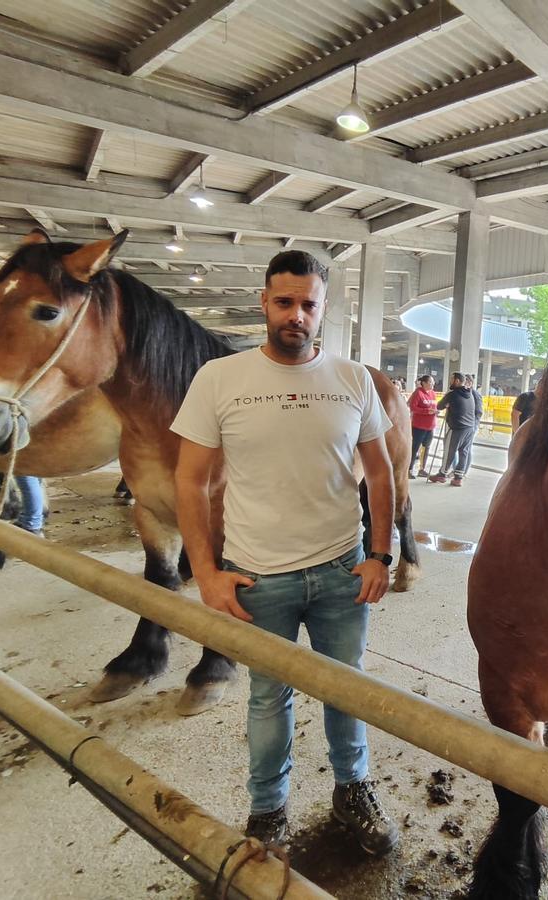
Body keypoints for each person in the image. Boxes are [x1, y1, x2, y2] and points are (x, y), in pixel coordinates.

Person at [171, 249, 399, 853]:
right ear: (264, 304)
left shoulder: (352, 379)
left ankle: (353, 792)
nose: (296, 315)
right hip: (256, 579)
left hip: (341, 572)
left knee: (345, 688)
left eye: (308, 305)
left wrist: (381, 553)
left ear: (322, 311)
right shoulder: (220, 379)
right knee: (269, 698)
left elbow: (380, 472)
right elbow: (191, 480)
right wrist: (206, 574)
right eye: (284, 302)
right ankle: (267, 810)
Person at [429, 372, 480, 487]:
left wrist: (447, 404)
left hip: (457, 427)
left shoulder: (452, 394)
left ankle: (442, 474)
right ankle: (458, 478)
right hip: (469, 428)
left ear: (457, 381)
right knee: (464, 452)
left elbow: (439, 406)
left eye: (452, 379)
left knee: (449, 451)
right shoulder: (470, 394)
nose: (450, 381)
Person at [407, 374, 437, 478]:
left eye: (433, 382)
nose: (433, 384)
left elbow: (434, 406)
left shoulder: (433, 393)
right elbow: (412, 407)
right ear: (423, 383)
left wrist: (436, 411)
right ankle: (409, 469)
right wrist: (426, 411)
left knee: (426, 448)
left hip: (430, 426)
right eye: (430, 382)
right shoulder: (418, 393)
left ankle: (422, 469)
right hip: (419, 426)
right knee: (414, 448)